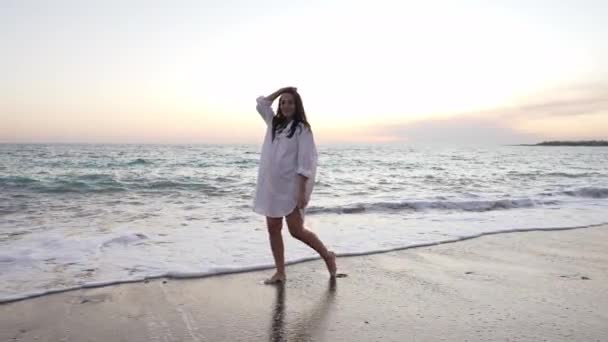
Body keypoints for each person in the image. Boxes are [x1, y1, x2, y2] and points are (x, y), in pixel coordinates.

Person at [254, 86, 337, 284]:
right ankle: (280, 272)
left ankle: (327, 255)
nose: (285, 105)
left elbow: (305, 162)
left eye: (290, 102)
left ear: (296, 105)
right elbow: (261, 103)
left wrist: (301, 192)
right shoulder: (274, 124)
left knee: (296, 230)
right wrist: (283, 89)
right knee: (273, 228)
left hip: (291, 187)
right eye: (283, 102)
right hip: (271, 186)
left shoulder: (302, 129)